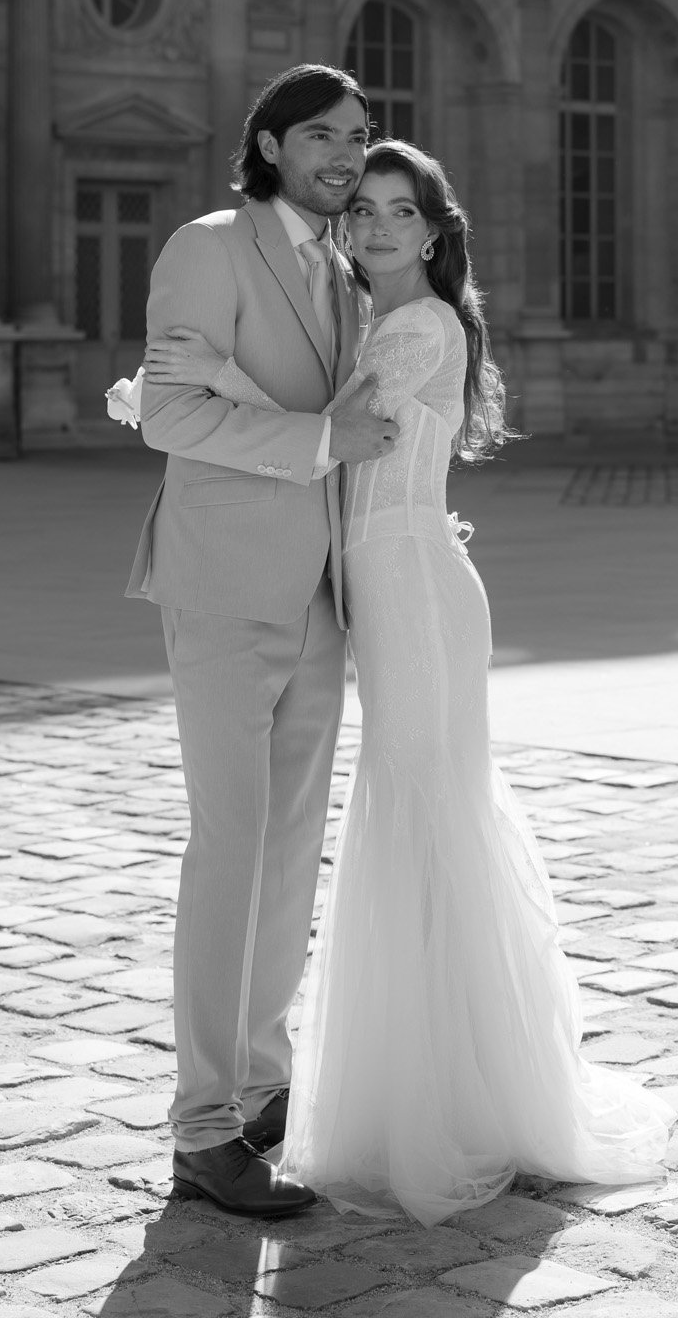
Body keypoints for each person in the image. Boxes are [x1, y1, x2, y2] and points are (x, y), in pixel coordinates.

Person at [144, 140, 672, 1226]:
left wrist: (184, 394)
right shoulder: (370, 319)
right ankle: (434, 1080)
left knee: (426, 819)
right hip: (382, 583)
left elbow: (334, 436)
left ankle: (461, 1101)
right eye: (366, 208)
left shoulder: (417, 324)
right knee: (408, 818)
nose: (379, 225)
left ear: (433, 232)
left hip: (410, 593)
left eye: (401, 211)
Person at [125, 64, 400, 1218]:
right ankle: (200, 1127)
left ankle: (258, 1080)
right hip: (228, 586)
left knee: (290, 853)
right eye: (326, 136)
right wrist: (320, 437)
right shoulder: (206, 245)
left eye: (362, 136)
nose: (347, 153)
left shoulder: (346, 265)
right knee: (230, 848)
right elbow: (166, 409)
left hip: (322, 595)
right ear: (273, 142)